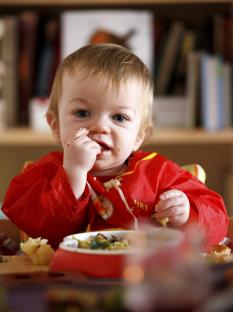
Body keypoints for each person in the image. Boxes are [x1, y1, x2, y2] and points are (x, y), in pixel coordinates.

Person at [2, 43, 228, 251]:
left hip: (144, 278)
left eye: (119, 117)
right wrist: (73, 173)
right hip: (69, 279)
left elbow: (218, 225)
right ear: (56, 126)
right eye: (82, 113)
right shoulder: (42, 176)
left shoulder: (159, 173)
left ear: (139, 135)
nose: (100, 127)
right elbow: (41, 231)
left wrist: (186, 214)